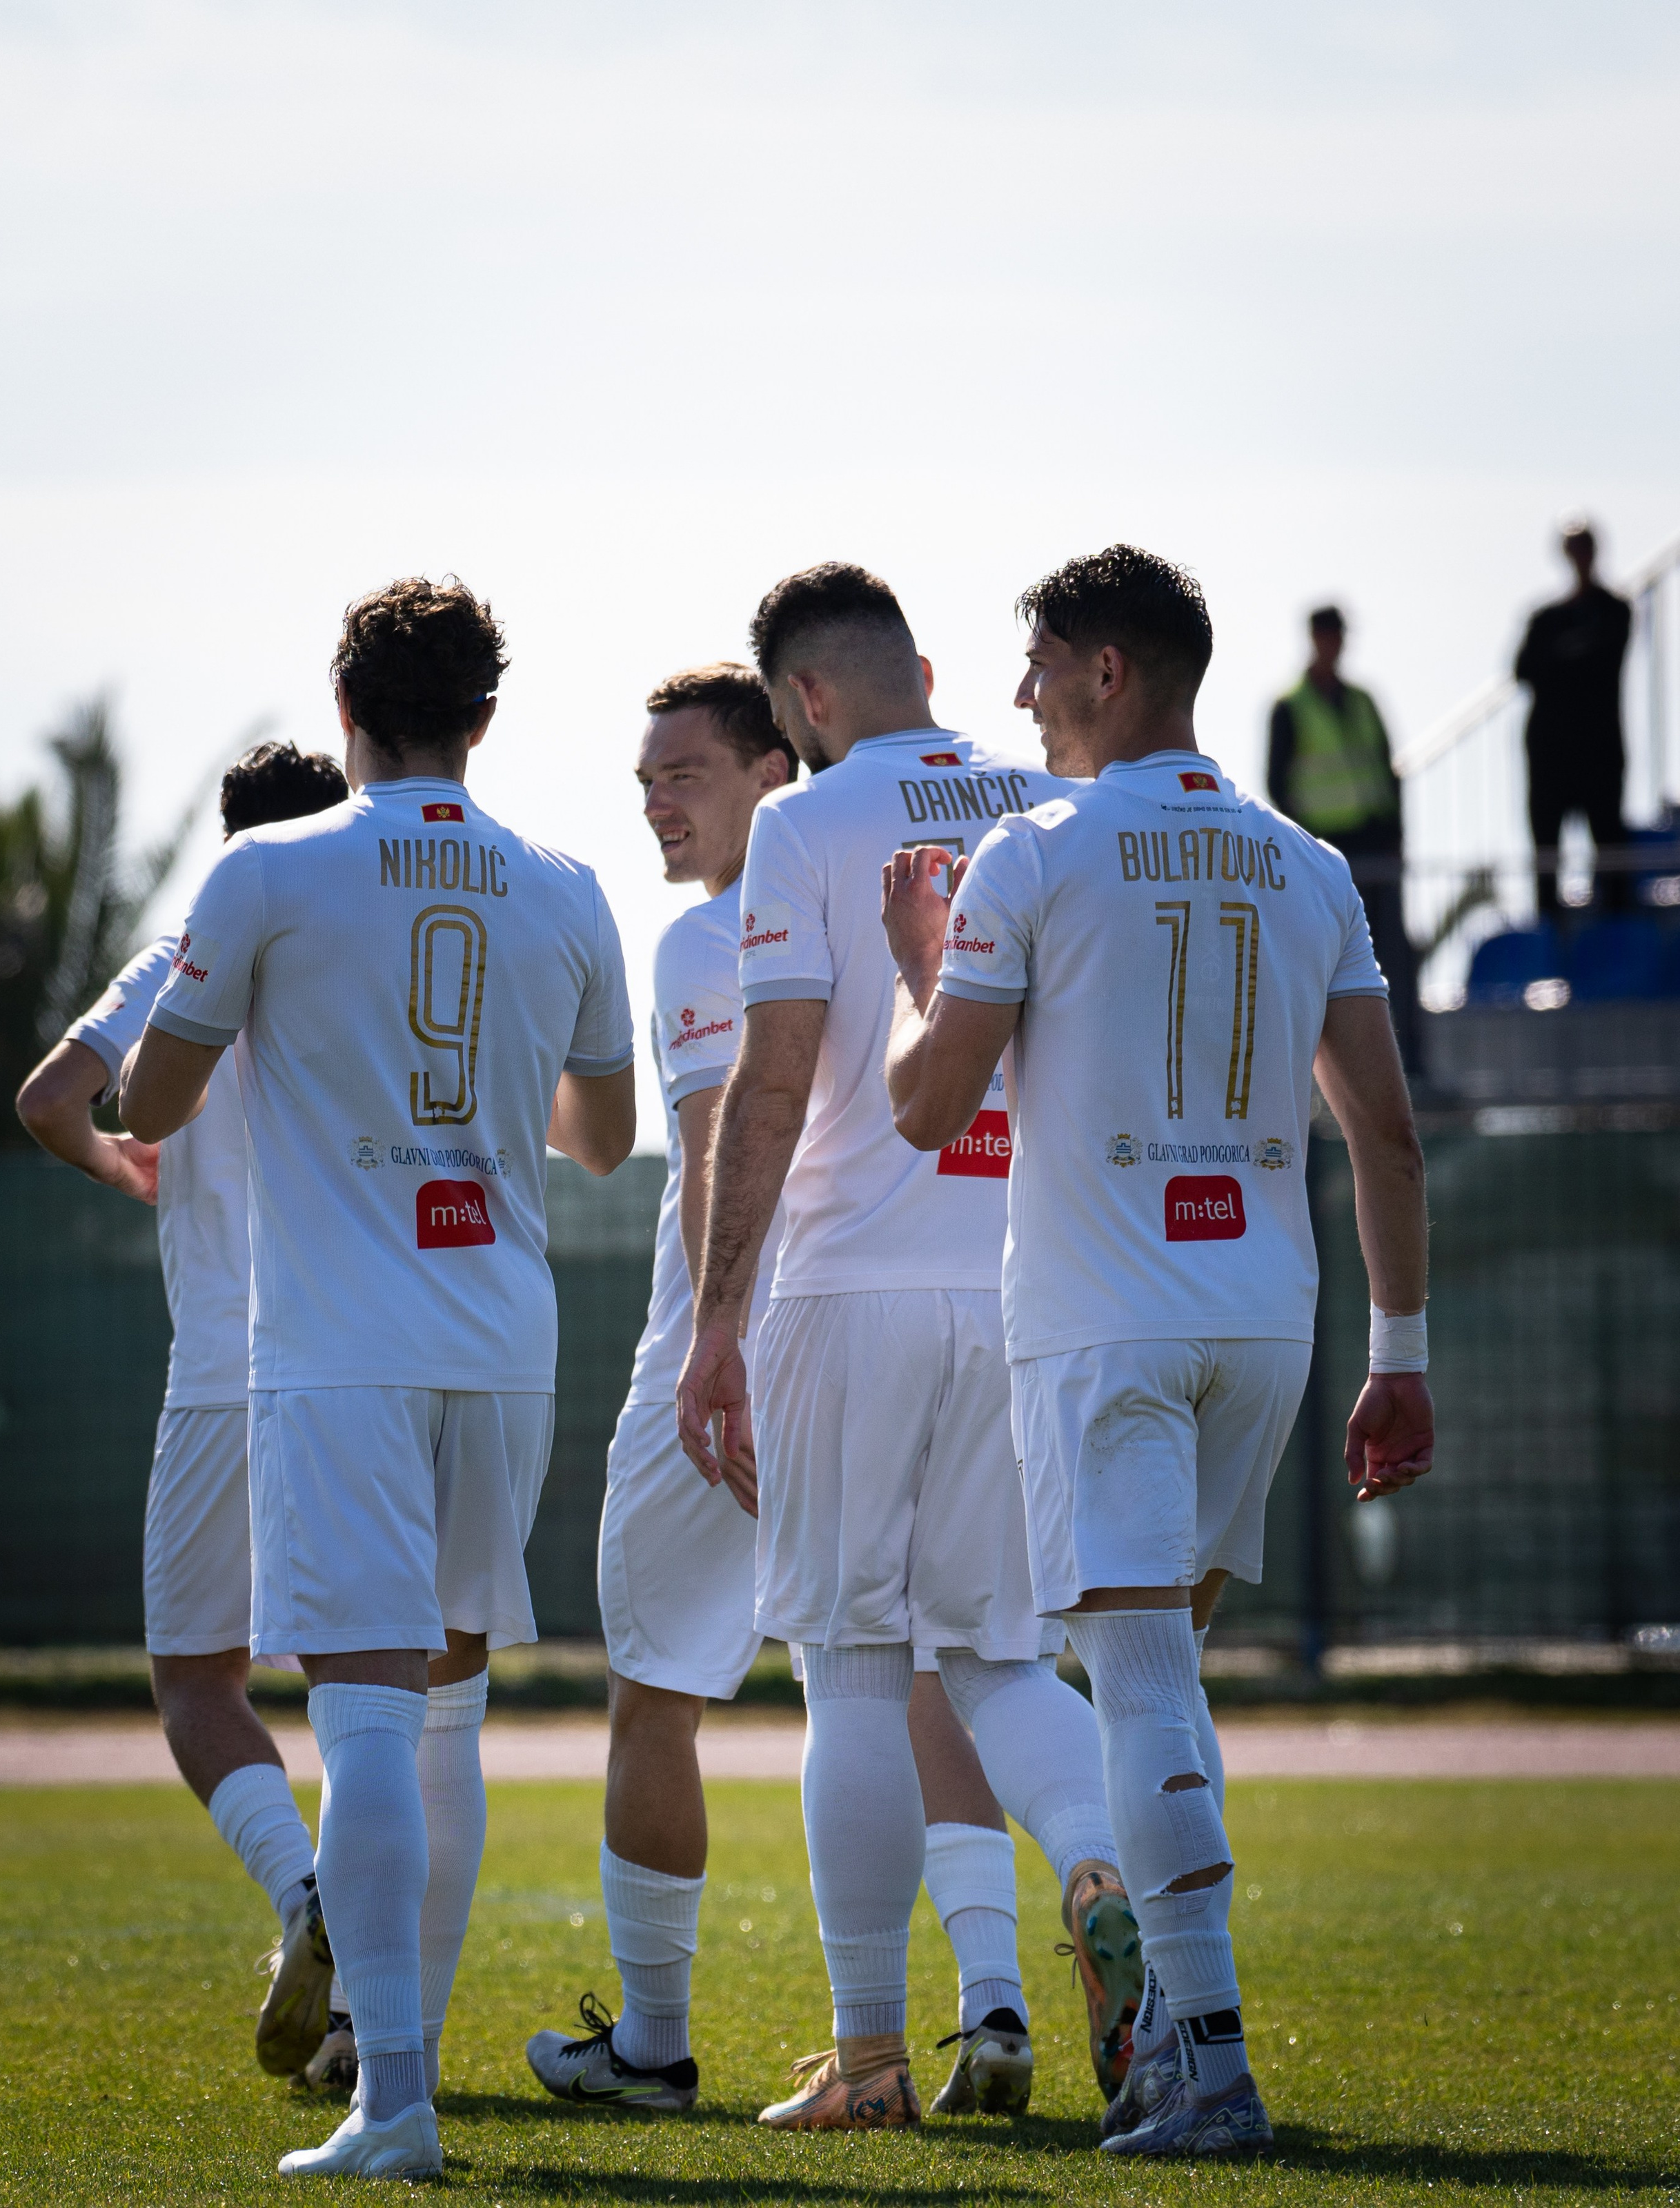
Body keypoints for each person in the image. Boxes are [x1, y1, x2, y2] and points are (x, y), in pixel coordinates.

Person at [882, 544, 1435, 2160]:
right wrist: (1395, 1351)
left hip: (1102, 1324)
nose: (1019, 697)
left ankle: (1206, 2063)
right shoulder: (1304, 861)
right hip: (1263, 1320)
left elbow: (927, 1108)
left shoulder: (1029, 850)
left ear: (1107, 671)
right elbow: (1384, 1139)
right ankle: (1190, 2049)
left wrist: (925, 966)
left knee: (1132, 1685)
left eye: (1039, 664)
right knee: (1158, 1685)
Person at [121, 577, 635, 2182]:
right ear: (482, 721)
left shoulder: (271, 868)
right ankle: (391, 2074)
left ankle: (393, 2103)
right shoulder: (561, 885)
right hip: (499, 1332)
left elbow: (148, 1092)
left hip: (340, 1346)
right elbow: (605, 1138)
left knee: (355, 1719)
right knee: (449, 1714)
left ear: (345, 716)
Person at [527, 664, 1050, 2120]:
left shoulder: (715, 929)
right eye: (643, 780)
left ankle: (658, 2042)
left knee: (657, 1690)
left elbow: (711, 1142)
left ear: (775, 766)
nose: (653, 805)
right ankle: (987, 2000)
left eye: (679, 775)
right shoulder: (959, 859)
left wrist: (719, 1343)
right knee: (935, 1664)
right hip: (959, 1319)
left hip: (753, 1359)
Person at [678, 564, 1137, 2133]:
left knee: (848, 1672)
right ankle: (1090, 1865)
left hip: (850, 1286)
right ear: (922, 669)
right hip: (1023, 1282)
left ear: (800, 703)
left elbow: (771, 1082)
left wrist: (714, 1321)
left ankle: (868, 2060)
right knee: (999, 1653)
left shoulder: (803, 824)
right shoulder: (1047, 794)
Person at [17, 738, 350, 2087]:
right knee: (374, 1695)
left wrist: (118, 1162)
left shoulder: (181, 955)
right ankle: (366, 2010)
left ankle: (305, 1894)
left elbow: (48, 1097)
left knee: (194, 1683)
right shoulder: (368, 966)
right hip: (363, 1367)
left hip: (222, 1366)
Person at [1268, 607, 1421, 1076]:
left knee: (1395, 958)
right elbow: (1279, 784)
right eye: (1328, 635)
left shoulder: (1362, 700)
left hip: (1374, 851)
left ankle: (1411, 1068)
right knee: (1326, 969)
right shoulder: (1291, 706)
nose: (1334, 644)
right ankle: (1328, 1078)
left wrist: (1398, 836)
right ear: (1316, 638)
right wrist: (1304, 852)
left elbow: (1387, 771)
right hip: (1328, 855)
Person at [1514, 521, 1633, 919]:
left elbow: (1598, 662)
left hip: (1599, 754)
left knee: (1610, 854)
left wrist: (1559, 660)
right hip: (1551, 755)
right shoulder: (1545, 618)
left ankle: (1615, 944)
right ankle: (1550, 942)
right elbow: (1525, 669)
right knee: (1547, 857)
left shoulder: (1615, 610)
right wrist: (1570, 657)